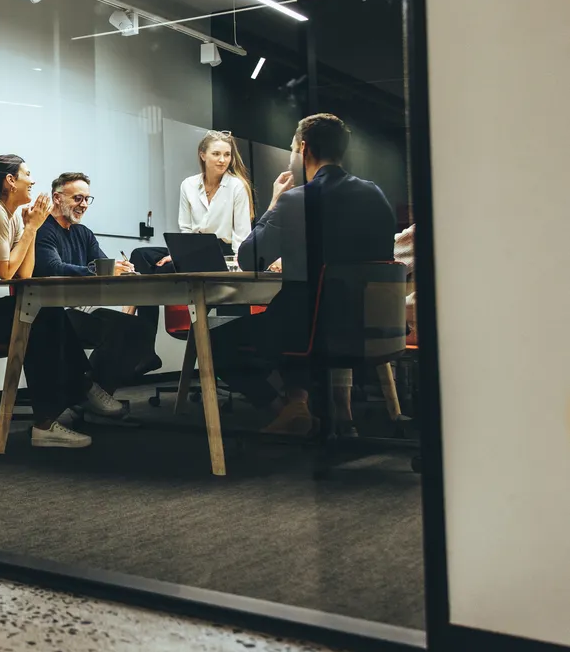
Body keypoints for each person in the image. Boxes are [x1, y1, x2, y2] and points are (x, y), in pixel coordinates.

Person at [211, 113, 396, 433]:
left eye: (292, 149)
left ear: (304, 149)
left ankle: (285, 410)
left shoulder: (297, 200)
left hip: (312, 328)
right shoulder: (375, 195)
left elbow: (249, 259)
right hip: (369, 325)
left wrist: (273, 204)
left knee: (217, 342)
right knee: (294, 310)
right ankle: (307, 408)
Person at [0, 155, 125, 449]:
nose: (33, 180)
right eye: (27, 174)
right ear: (10, 181)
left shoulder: (10, 216)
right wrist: (31, 229)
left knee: (44, 314)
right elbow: (7, 272)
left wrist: (31, 229)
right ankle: (56, 413)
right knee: (40, 316)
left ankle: (72, 396)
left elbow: (22, 275)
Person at [34, 172, 163, 389]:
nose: (83, 204)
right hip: (50, 314)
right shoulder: (43, 229)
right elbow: (53, 268)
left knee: (139, 328)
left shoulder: (83, 233)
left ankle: (95, 389)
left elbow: (103, 265)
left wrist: (123, 270)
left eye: (87, 199)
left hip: (76, 311)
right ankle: (89, 391)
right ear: (57, 198)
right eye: (77, 198)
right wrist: (101, 269)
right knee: (120, 329)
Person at [133, 129, 256, 272]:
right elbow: (185, 227)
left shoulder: (237, 186)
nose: (222, 160)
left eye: (227, 155)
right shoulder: (188, 184)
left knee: (168, 269)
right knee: (140, 255)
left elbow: (242, 233)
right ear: (203, 155)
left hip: (223, 251)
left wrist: (238, 263)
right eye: (216, 154)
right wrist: (178, 254)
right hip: (194, 249)